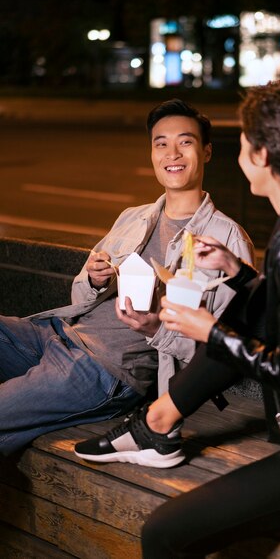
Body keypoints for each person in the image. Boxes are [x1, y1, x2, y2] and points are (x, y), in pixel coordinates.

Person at [75, 79, 280, 558]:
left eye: (246, 141)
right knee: (245, 304)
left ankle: (155, 425)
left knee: (163, 532)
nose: (241, 150)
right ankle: (156, 424)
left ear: (263, 155)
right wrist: (236, 272)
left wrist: (209, 331)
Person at [0, 99, 254, 456]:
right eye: (161, 143)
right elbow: (79, 299)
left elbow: (222, 349)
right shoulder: (133, 217)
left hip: (105, 370)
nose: (172, 153)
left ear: (207, 151)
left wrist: (154, 329)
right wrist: (95, 279)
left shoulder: (227, 240)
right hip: (54, 333)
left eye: (185, 141)